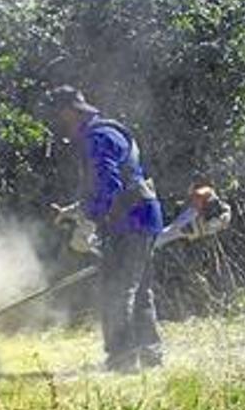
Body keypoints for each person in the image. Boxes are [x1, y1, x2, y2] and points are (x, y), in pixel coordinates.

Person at [48, 85, 163, 372]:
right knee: (139, 290)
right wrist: (74, 211)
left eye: (59, 117)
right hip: (144, 215)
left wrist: (87, 222)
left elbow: (108, 187)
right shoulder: (108, 132)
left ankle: (122, 360)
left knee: (118, 290)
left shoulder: (96, 138)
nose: (60, 125)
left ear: (69, 113)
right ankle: (150, 355)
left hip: (130, 219)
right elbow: (115, 185)